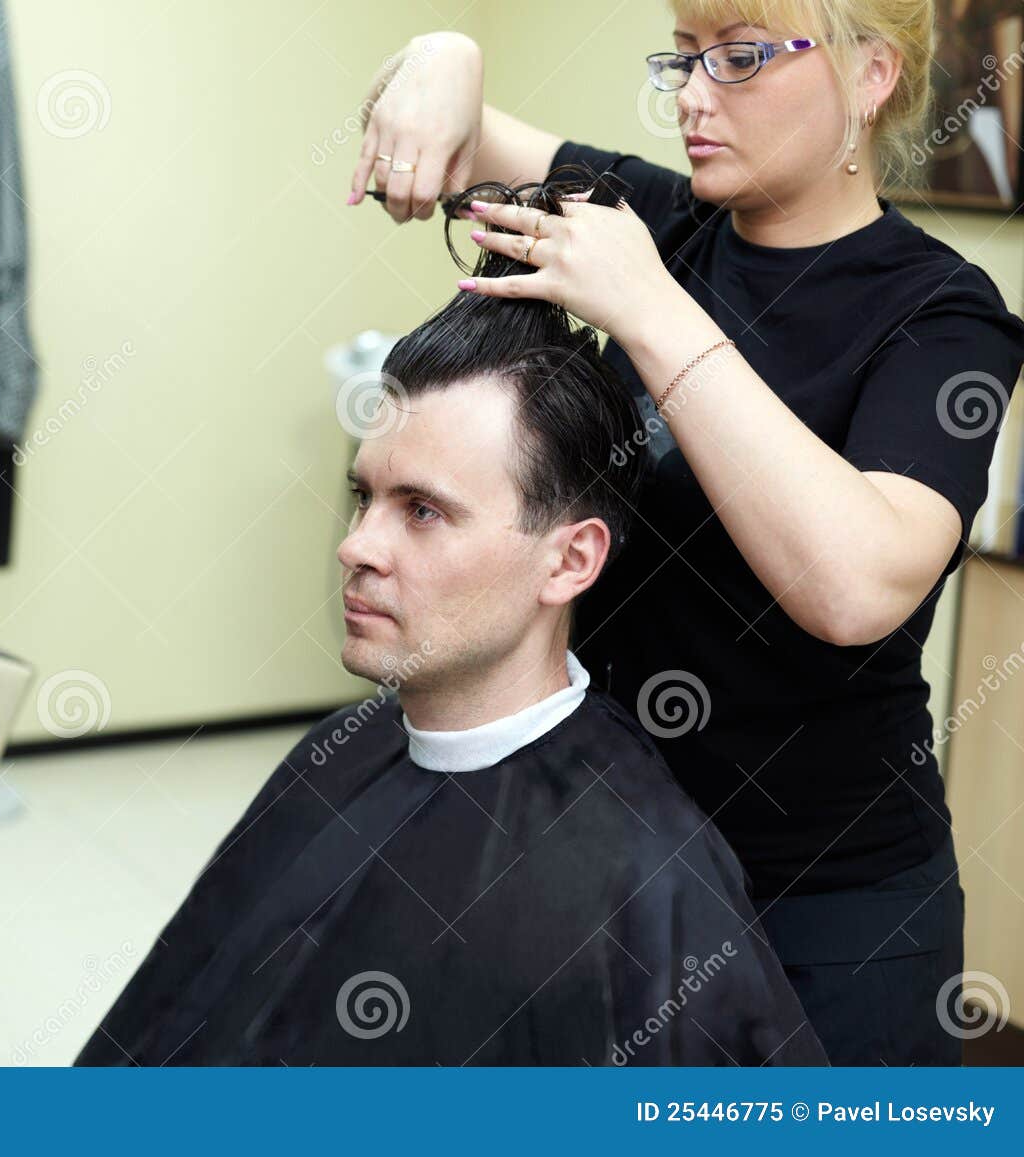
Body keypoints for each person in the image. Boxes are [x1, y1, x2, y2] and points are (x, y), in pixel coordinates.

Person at [345, 1, 1024, 1064]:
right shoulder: (662, 219)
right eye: (686, 58)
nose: (693, 95)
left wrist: (649, 310)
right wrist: (446, 53)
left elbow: (855, 585)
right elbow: (459, 125)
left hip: (829, 905)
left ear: (871, 75)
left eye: (740, 58)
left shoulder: (941, 314)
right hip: (611, 856)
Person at [76, 188, 827, 1066]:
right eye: (366, 496)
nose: (357, 545)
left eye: (423, 511)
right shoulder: (335, 756)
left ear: (570, 560)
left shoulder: (651, 886)